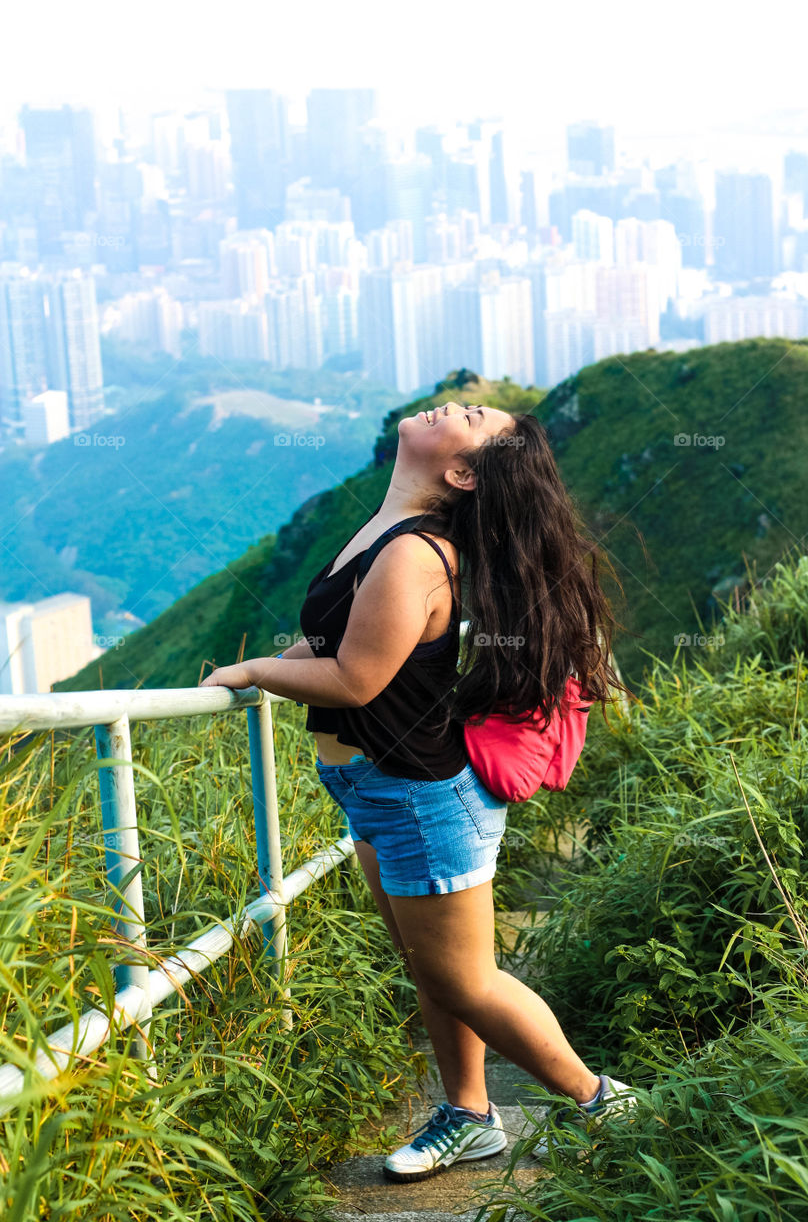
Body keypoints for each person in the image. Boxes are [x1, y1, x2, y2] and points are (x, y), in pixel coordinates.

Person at [201, 400, 635, 1179]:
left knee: (465, 977)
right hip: (375, 787)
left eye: (471, 415)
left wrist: (254, 671)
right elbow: (341, 638)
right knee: (432, 967)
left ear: (462, 471)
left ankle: (608, 1106)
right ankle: (469, 1113)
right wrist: (271, 660)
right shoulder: (385, 530)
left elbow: (354, 677)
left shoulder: (414, 553)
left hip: (418, 794)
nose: (457, 400)